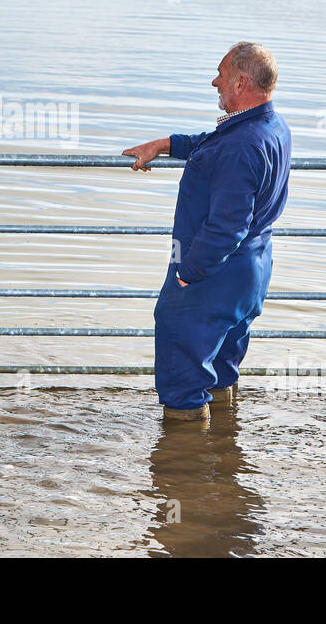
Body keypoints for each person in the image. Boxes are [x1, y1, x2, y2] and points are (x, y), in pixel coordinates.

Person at [122, 42, 292, 422]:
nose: (214, 81)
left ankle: (181, 471)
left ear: (241, 83)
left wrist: (188, 274)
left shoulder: (241, 146)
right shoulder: (270, 126)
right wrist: (165, 145)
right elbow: (214, 146)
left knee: (183, 383)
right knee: (220, 370)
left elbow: (227, 225)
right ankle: (222, 461)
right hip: (252, 270)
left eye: (221, 74)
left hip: (214, 275)